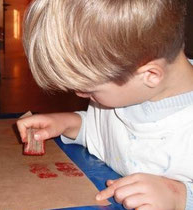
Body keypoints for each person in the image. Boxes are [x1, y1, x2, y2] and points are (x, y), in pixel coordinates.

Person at [17, 0, 193, 209]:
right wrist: (67, 123)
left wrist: (181, 198)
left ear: (150, 75)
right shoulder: (129, 92)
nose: (79, 94)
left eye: (90, 90)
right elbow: (107, 134)